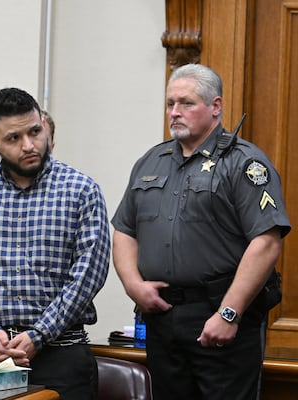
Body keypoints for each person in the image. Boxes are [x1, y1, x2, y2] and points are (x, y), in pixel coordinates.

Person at [111, 64, 291, 400]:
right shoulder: (151, 161)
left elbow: (266, 242)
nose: (175, 113)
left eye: (186, 103)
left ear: (216, 107)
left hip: (220, 314)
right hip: (161, 317)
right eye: (169, 104)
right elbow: (124, 231)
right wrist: (134, 285)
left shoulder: (245, 163)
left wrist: (228, 313)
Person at [0, 87, 110, 399]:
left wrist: (39, 333)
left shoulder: (82, 191)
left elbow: (87, 276)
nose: (29, 145)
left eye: (35, 131)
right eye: (13, 138)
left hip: (61, 356)